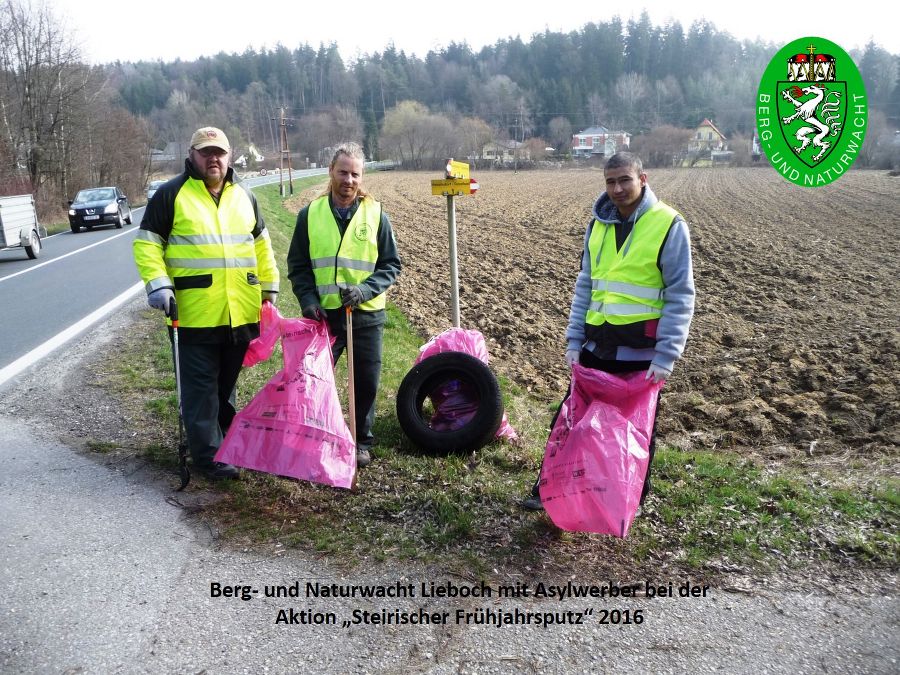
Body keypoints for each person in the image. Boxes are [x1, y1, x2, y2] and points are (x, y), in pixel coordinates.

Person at [522, 151, 695, 510]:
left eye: (625, 180)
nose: (617, 188)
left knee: (637, 431)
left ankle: (630, 498)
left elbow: (681, 294)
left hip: (640, 351)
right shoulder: (597, 225)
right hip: (596, 345)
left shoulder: (669, 224)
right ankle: (549, 489)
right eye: (610, 181)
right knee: (570, 421)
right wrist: (574, 340)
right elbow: (585, 285)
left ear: (642, 179)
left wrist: (667, 355)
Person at [133, 126, 280, 480]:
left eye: (219, 152)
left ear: (229, 156)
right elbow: (147, 243)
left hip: (239, 310)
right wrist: (159, 286)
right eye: (205, 152)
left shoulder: (244, 194)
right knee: (201, 390)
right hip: (193, 312)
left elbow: (261, 244)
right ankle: (209, 456)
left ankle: (223, 441)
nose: (213, 158)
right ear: (192, 155)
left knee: (224, 385)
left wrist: (270, 288)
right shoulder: (171, 194)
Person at [287, 142, 401, 468]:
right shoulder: (310, 215)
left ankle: (360, 440)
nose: (348, 180)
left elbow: (391, 265)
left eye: (355, 174)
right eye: (343, 172)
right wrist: (308, 301)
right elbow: (298, 266)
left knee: (366, 381)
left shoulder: (377, 215)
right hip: (324, 317)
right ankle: (316, 434)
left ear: (361, 177)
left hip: (366, 316)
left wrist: (365, 291)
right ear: (331, 172)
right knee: (313, 378)